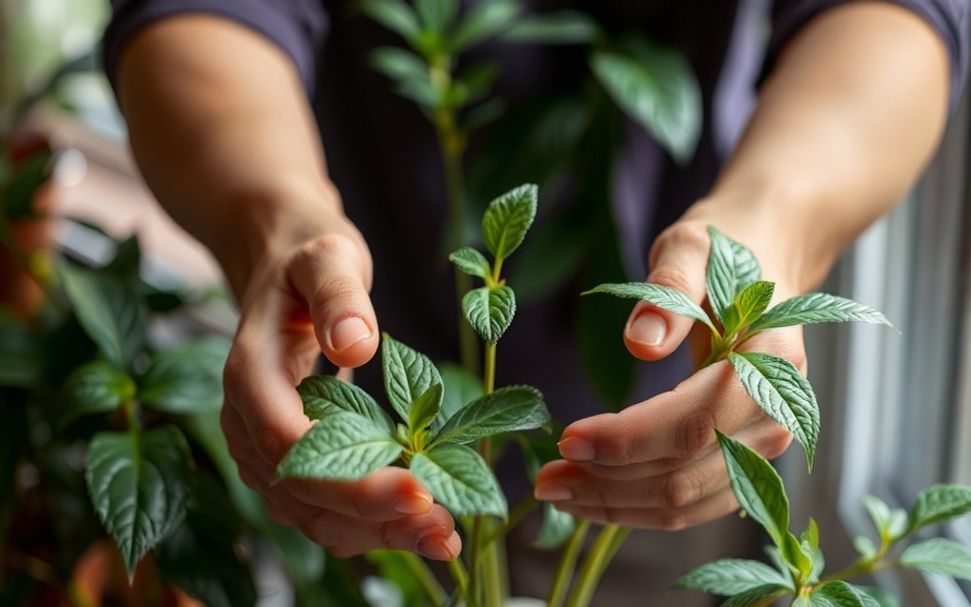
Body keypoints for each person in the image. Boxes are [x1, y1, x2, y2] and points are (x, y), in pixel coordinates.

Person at [104, 0, 967, 597]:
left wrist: (766, 231)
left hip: (680, 406)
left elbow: (898, 16)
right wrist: (273, 226)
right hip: (357, 408)